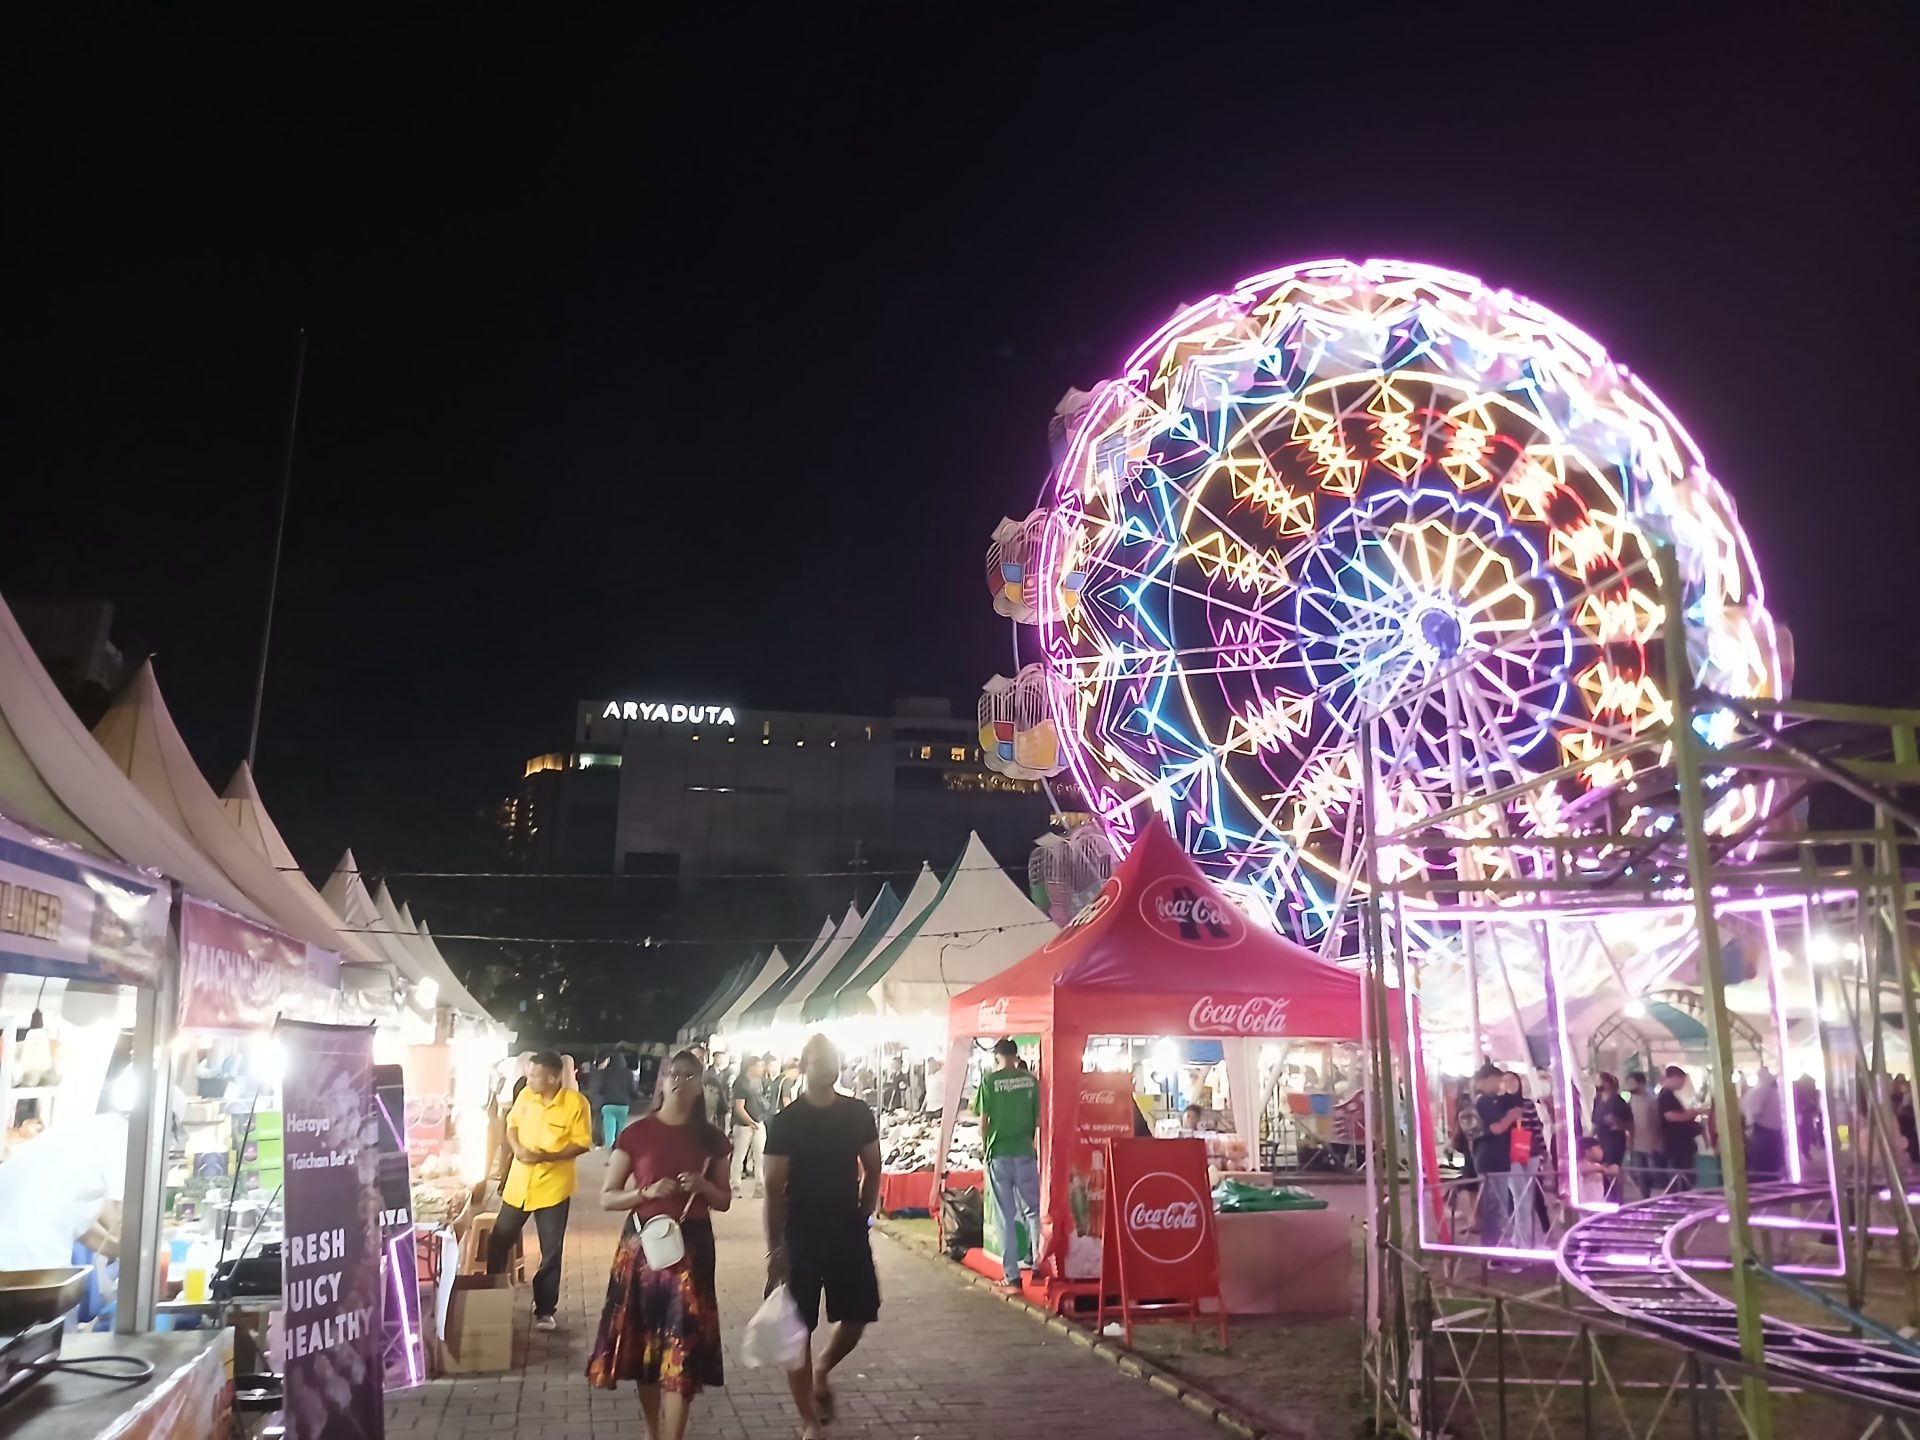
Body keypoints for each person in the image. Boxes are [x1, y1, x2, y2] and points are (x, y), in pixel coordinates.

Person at [586, 1049, 731, 1440]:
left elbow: (724, 1199)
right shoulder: (637, 1133)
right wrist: (645, 1192)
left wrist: (703, 1186)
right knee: (645, 1346)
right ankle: (653, 1431)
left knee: (681, 1348)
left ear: (702, 1085)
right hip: (644, 1247)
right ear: (661, 1081)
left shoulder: (713, 1139)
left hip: (693, 1249)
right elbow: (607, 1196)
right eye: (674, 1074)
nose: (682, 1082)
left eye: (690, 1076)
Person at [764, 1034, 882, 1440]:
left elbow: (873, 1165)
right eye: (820, 1058)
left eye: (833, 1057)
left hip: (846, 1228)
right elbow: (773, 1187)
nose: (828, 1063)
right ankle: (809, 1420)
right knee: (797, 1328)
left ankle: (823, 1369)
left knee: (859, 1312)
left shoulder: (857, 1112)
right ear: (804, 1064)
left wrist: (865, 1211)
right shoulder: (787, 1121)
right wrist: (774, 1246)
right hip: (801, 1231)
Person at [491, 1051, 593, 1330]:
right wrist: (518, 1148)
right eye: (529, 1073)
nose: (530, 1079)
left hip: (553, 1187)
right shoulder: (525, 1095)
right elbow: (511, 1124)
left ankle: (545, 1309)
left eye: (535, 1075)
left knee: (551, 1251)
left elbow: (582, 1143)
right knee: (499, 1239)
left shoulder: (575, 1104)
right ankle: (493, 1294)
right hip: (519, 1184)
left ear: (553, 1076)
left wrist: (547, 1156)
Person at [0, 1114, 127, 1269]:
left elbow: (82, 1227)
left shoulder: (92, 1131)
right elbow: (123, 1213)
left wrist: (119, 1250)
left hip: (16, 1231)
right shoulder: (122, 1138)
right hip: (26, 1250)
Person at [974, 1038, 1042, 1290]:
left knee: (1005, 1215)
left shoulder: (989, 1081)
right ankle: (1037, 1264)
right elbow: (1038, 1120)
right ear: (1016, 1055)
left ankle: (1012, 1276)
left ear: (996, 1056)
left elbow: (983, 1122)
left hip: (999, 1153)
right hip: (1024, 1150)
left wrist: (985, 1149)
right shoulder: (1031, 1081)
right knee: (1033, 1211)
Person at [1471, 1063, 1518, 1247]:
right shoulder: (1485, 1102)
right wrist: (1511, 1116)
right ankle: (1496, 1251)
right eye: (1498, 1082)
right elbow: (1496, 1128)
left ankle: (1491, 1249)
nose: (1499, 1086)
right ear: (1489, 1079)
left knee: (1492, 1207)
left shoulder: (1476, 1099)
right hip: (1493, 1160)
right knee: (1496, 1208)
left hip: (1485, 1158)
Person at [1500, 1071, 1545, 1246]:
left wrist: (1542, 1151)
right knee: (1520, 1196)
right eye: (1506, 1080)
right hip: (1510, 1154)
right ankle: (1524, 1240)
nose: (1510, 1083)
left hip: (1530, 1152)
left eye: (1513, 1079)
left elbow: (1536, 1127)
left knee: (1528, 1195)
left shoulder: (1527, 1104)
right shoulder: (1500, 1104)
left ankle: (1525, 1238)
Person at [1658, 1066, 1706, 1191]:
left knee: (1685, 1175)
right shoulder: (1666, 1096)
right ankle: (1678, 1202)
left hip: (1681, 1145)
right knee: (1680, 1176)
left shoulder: (1670, 1096)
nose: (1683, 1084)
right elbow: (1671, 1116)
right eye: (1682, 1080)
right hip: (1677, 1145)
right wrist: (1693, 1113)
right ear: (1674, 1078)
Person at [731, 1056, 770, 1199]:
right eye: (759, 1066)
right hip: (743, 1125)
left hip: (758, 1122)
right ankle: (735, 1186)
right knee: (739, 1156)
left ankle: (760, 1186)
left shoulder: (759, 1081)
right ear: (751, 1067)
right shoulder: (741, 1083)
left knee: (760, 1156)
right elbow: (739, 1107)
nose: (762, 1068)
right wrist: (750, 1122)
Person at [1591, 1073, 1632, 1199]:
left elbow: (1629, 1122)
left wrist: (1617, 1124)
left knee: (1613, 1167)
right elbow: (1594, 1120)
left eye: (1600, 1082)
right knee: (1602, 1167)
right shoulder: (1598, 1099)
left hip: (1614, 1139)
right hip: (1601, 1138)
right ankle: (1607, 1195)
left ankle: (1616, 1197)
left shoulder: (1618, 1101)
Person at [1742, 1067, 1786, 1179]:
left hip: (1762, 1133)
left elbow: (1754, 1112)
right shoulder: (1776, 1092)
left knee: (1760, 1168)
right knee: (1773, 1166)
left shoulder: (1759, 1092)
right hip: (1775, 1133)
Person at [1624, 1071, 1662, 1199]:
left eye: (1631, 1083)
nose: (1629, 1086)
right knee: (1639, 1172)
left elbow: (1657, 1121)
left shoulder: (1651, 1101)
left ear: (1640, 1083)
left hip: (1650, 1142)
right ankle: (1644, 1196)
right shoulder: (1630, 1101)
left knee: (1653, 1172)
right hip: (1635, 1143)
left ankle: (1652, 1195)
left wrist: (1658, 1140)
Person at [601, 1051, 639, 1148]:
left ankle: (610, 1158)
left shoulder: (606, 1073)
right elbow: (632, 1090)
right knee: (620, 1133)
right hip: (623, 1106)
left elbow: (600, 1088)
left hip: (608, 1106)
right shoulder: (628, 1073)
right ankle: (618, 1155)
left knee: (609, 1133)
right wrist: (635, 1096)